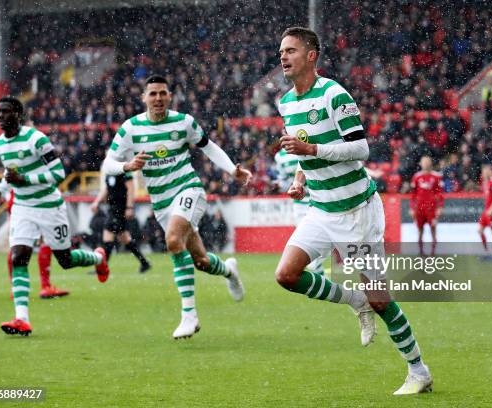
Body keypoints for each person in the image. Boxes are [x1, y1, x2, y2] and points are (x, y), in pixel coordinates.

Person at [275, 27, 432, 395]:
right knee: (286, 275)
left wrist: (311, 152)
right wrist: (301, 176)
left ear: (311, 55)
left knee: (381, 299)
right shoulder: (286, 103)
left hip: (356, 211)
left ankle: (418, 371)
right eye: (282, 51)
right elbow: (305, 145)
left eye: (291, 50)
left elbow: (360, 149)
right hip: (321, 208)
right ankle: (353, 300)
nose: (283, 57)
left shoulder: (334, 94)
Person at [101, 75, 252, 339]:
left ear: (170, 96)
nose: (158, 98)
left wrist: (231, 169)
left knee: (172, 240)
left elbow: (209, 147)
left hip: (188, 189)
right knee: (201, 261)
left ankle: (189, 316)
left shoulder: (184, 122)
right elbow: (107, 164)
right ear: (144, 98)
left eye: (163, 93)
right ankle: (229, 272)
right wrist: (127, 166)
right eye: (153, 94)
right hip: (161, 203)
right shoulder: (131, 128)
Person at [0, 96, 110, 336]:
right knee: (18, 257)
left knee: (65, 260)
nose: (0, 116)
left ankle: (98, 258)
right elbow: (10, 173)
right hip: (23, 207)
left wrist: (26, 180)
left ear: (18, 115)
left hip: (50, 206)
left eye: (6, 112)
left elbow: (58, 173)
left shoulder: (36, 139)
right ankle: (21, 319)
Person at [5, 192, 70, 299]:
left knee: (18, 244)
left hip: (18, 198)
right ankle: (45, 286)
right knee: (45, 241)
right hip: (35, 198)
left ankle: (16, 288)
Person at [274, 147, 325, 275]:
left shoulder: (308, 145)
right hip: (300, 206)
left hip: (320, 199)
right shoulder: (279, 157)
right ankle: (328, 287)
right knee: (309, 251)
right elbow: (285, 181)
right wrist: (280, 185)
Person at [90, 170, 151, 273]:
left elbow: (131, 189)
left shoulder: (124, 170)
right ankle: (144, 263)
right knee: (124, 238)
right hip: (113, 208)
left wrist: (129, 207)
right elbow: (106, 188)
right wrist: (96, 202)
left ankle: (102, 268)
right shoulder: (110, 171)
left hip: (121, 208)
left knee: (107, 234)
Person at [409, 156, 444, 256]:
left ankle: (433, 253)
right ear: (420, 163)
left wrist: (440, 207)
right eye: (424, 162)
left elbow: (440, 194)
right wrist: (412, 208)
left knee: (433, 228)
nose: (426, 164)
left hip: (431, 208)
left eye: (427, 162)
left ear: (431, 163)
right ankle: (421, 252)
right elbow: (413, 194)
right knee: (420, 230)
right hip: (419, 208)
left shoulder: (436, 176)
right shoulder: (416, 177)